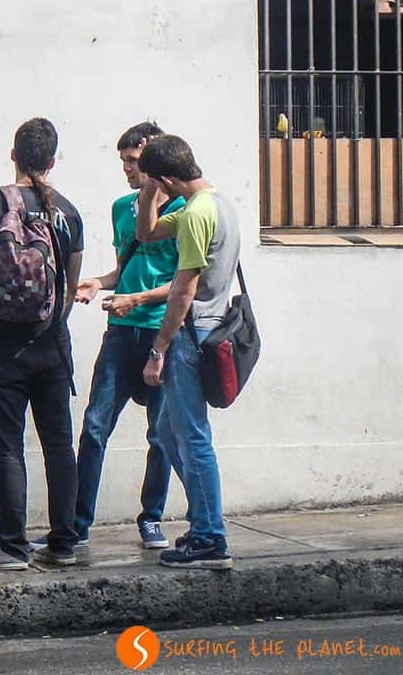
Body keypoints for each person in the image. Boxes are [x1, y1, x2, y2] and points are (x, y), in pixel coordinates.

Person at [0, 118, 84, 571]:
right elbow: (69, 284)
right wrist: (55, 322)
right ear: (52, 160)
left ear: (14, 156)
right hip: (51, 344)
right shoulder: (68, 212)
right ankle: (64, 542)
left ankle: (11, 547)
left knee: (8, 446)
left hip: (0, 345)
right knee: (58, 444)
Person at [65, 122, 183, 552]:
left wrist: (135, 299)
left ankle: (151, 517)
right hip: (121, 332)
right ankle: (77, 524)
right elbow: (123, 269)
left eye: (132, 161)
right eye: (123, 162)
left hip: (161, 333)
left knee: (160, 434)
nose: (126, 170)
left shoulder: (185, 208)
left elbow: (185, 283)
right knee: (95, 427)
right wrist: (99, 283)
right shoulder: (122, 207)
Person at [135, 135, 240, 570]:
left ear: (168, 178)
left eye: (155, 181)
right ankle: (205, 522)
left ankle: (210, 535)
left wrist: (158, 348)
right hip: (209, 332)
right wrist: (147, 194)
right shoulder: (216, 204)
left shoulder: (196, 215)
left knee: (193, 439)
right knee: (165, 432)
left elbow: (183, 289)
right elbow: (146, 234)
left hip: (191, 339)